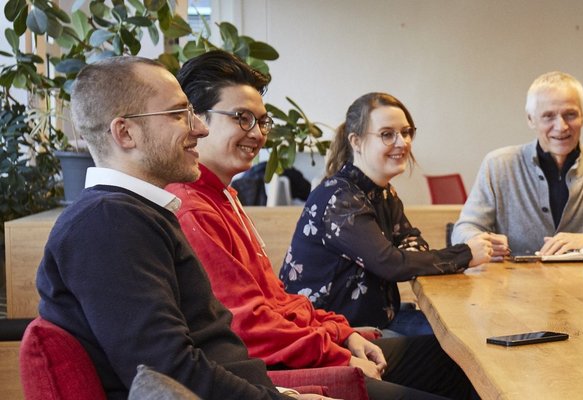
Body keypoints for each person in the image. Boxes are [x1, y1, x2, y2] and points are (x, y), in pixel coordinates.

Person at [168, 51, 475, 399]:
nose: (256, 133)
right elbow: (248, 326)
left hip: (319, 336)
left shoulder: (225, 197)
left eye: (261, 121)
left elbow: (277, 300)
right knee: (459, 354)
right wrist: (339, 348)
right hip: (283, 369)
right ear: (197, 120)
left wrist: (342, 334)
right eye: (242, 118)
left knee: (460, 357)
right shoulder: (194, 208)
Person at [35, 56, 321, 399]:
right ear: (125, 133)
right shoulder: (108, 224)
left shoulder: (136, 213)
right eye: (178, 115)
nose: (199, 129)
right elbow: (167, 375)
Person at [281, 92, 492, 341]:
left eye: (406, 132)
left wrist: (406, 256)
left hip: (376, 320)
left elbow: (412, 242)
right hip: (333, 335)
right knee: (462, 342)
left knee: (468, 328)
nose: (402, 142)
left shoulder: (382, 192)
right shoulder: (340, 198)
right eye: (387, 134)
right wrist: (465, 254)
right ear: (356, 142)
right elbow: (391, 263)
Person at [451, 71, 583, 256]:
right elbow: (463, 230)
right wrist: (481, 242)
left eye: (570, 115)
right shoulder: (497, 166)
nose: (561, 126)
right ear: (531, 120)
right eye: (548, 116)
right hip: (514, 292)